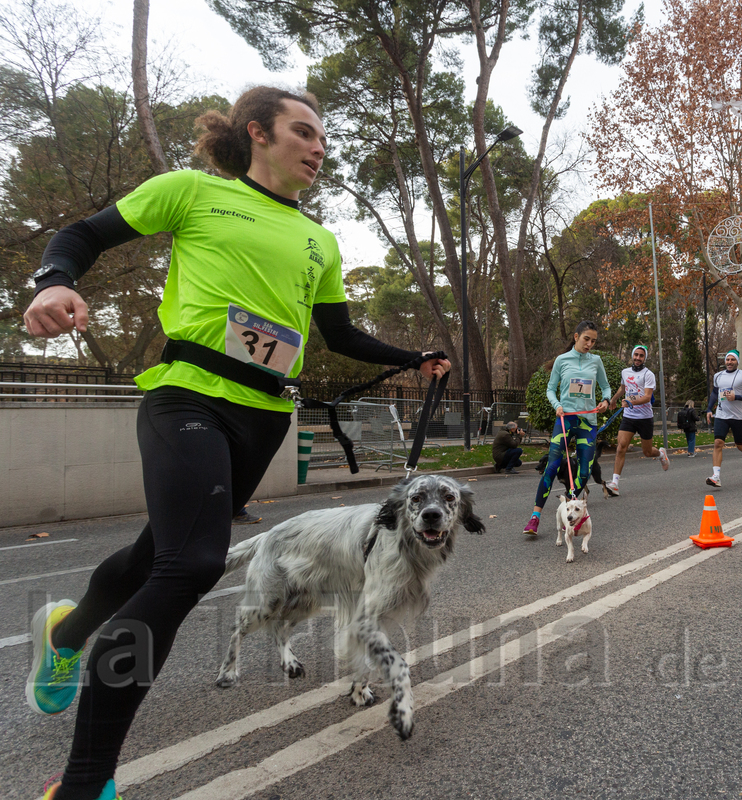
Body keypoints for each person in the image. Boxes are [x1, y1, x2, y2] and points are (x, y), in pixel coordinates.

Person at [20, 87, 451, 800]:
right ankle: (85, 783)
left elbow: (337, 334)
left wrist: (411, 359)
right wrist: (53, 282)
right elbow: (82, 235)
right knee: (191, 564)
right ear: (257, 132)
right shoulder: (192, 192)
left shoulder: (320, 239)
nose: (319, 147)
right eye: (304, 132)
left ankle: (66, 636)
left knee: (156, 553)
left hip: (263, 417)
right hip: (188, 394)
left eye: (323, 137)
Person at [523, 320, 611, 534]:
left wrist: (606, 401)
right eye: (586, 339)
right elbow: (550, 390)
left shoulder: (596, 361)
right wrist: (557, 405)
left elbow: (606, 387)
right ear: (576, 337)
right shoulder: (562, 360)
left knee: (584, 471)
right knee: (552, 467)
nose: (589, 344)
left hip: (587, 422)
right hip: (565, 419)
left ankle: (569, 513)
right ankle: (535, 518)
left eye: (593, 341)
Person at [604, 345, 669, 496]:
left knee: (647, 452)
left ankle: (660, 454)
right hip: (629, 417)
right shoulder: (625, 372)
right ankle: (614, 483)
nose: (638, 358)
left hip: (645, 418)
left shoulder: (649, 374)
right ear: (632, 356)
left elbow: (647, 397)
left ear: (644, 358)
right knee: (621, 447)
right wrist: (613, 400)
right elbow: (622, 388)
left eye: (641, 356)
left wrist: (631, 402)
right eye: (636, 355)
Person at [705, 350, 742, 488]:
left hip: (738, 416)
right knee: (718, 443)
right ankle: (716, 476)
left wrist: (737, 397)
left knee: (740, 445)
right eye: (728, 359)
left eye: (733, 360)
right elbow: (715, 393)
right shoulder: (718, 376)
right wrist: (709, 409)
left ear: (737, 362)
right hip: (721, 415)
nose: (729, 362)